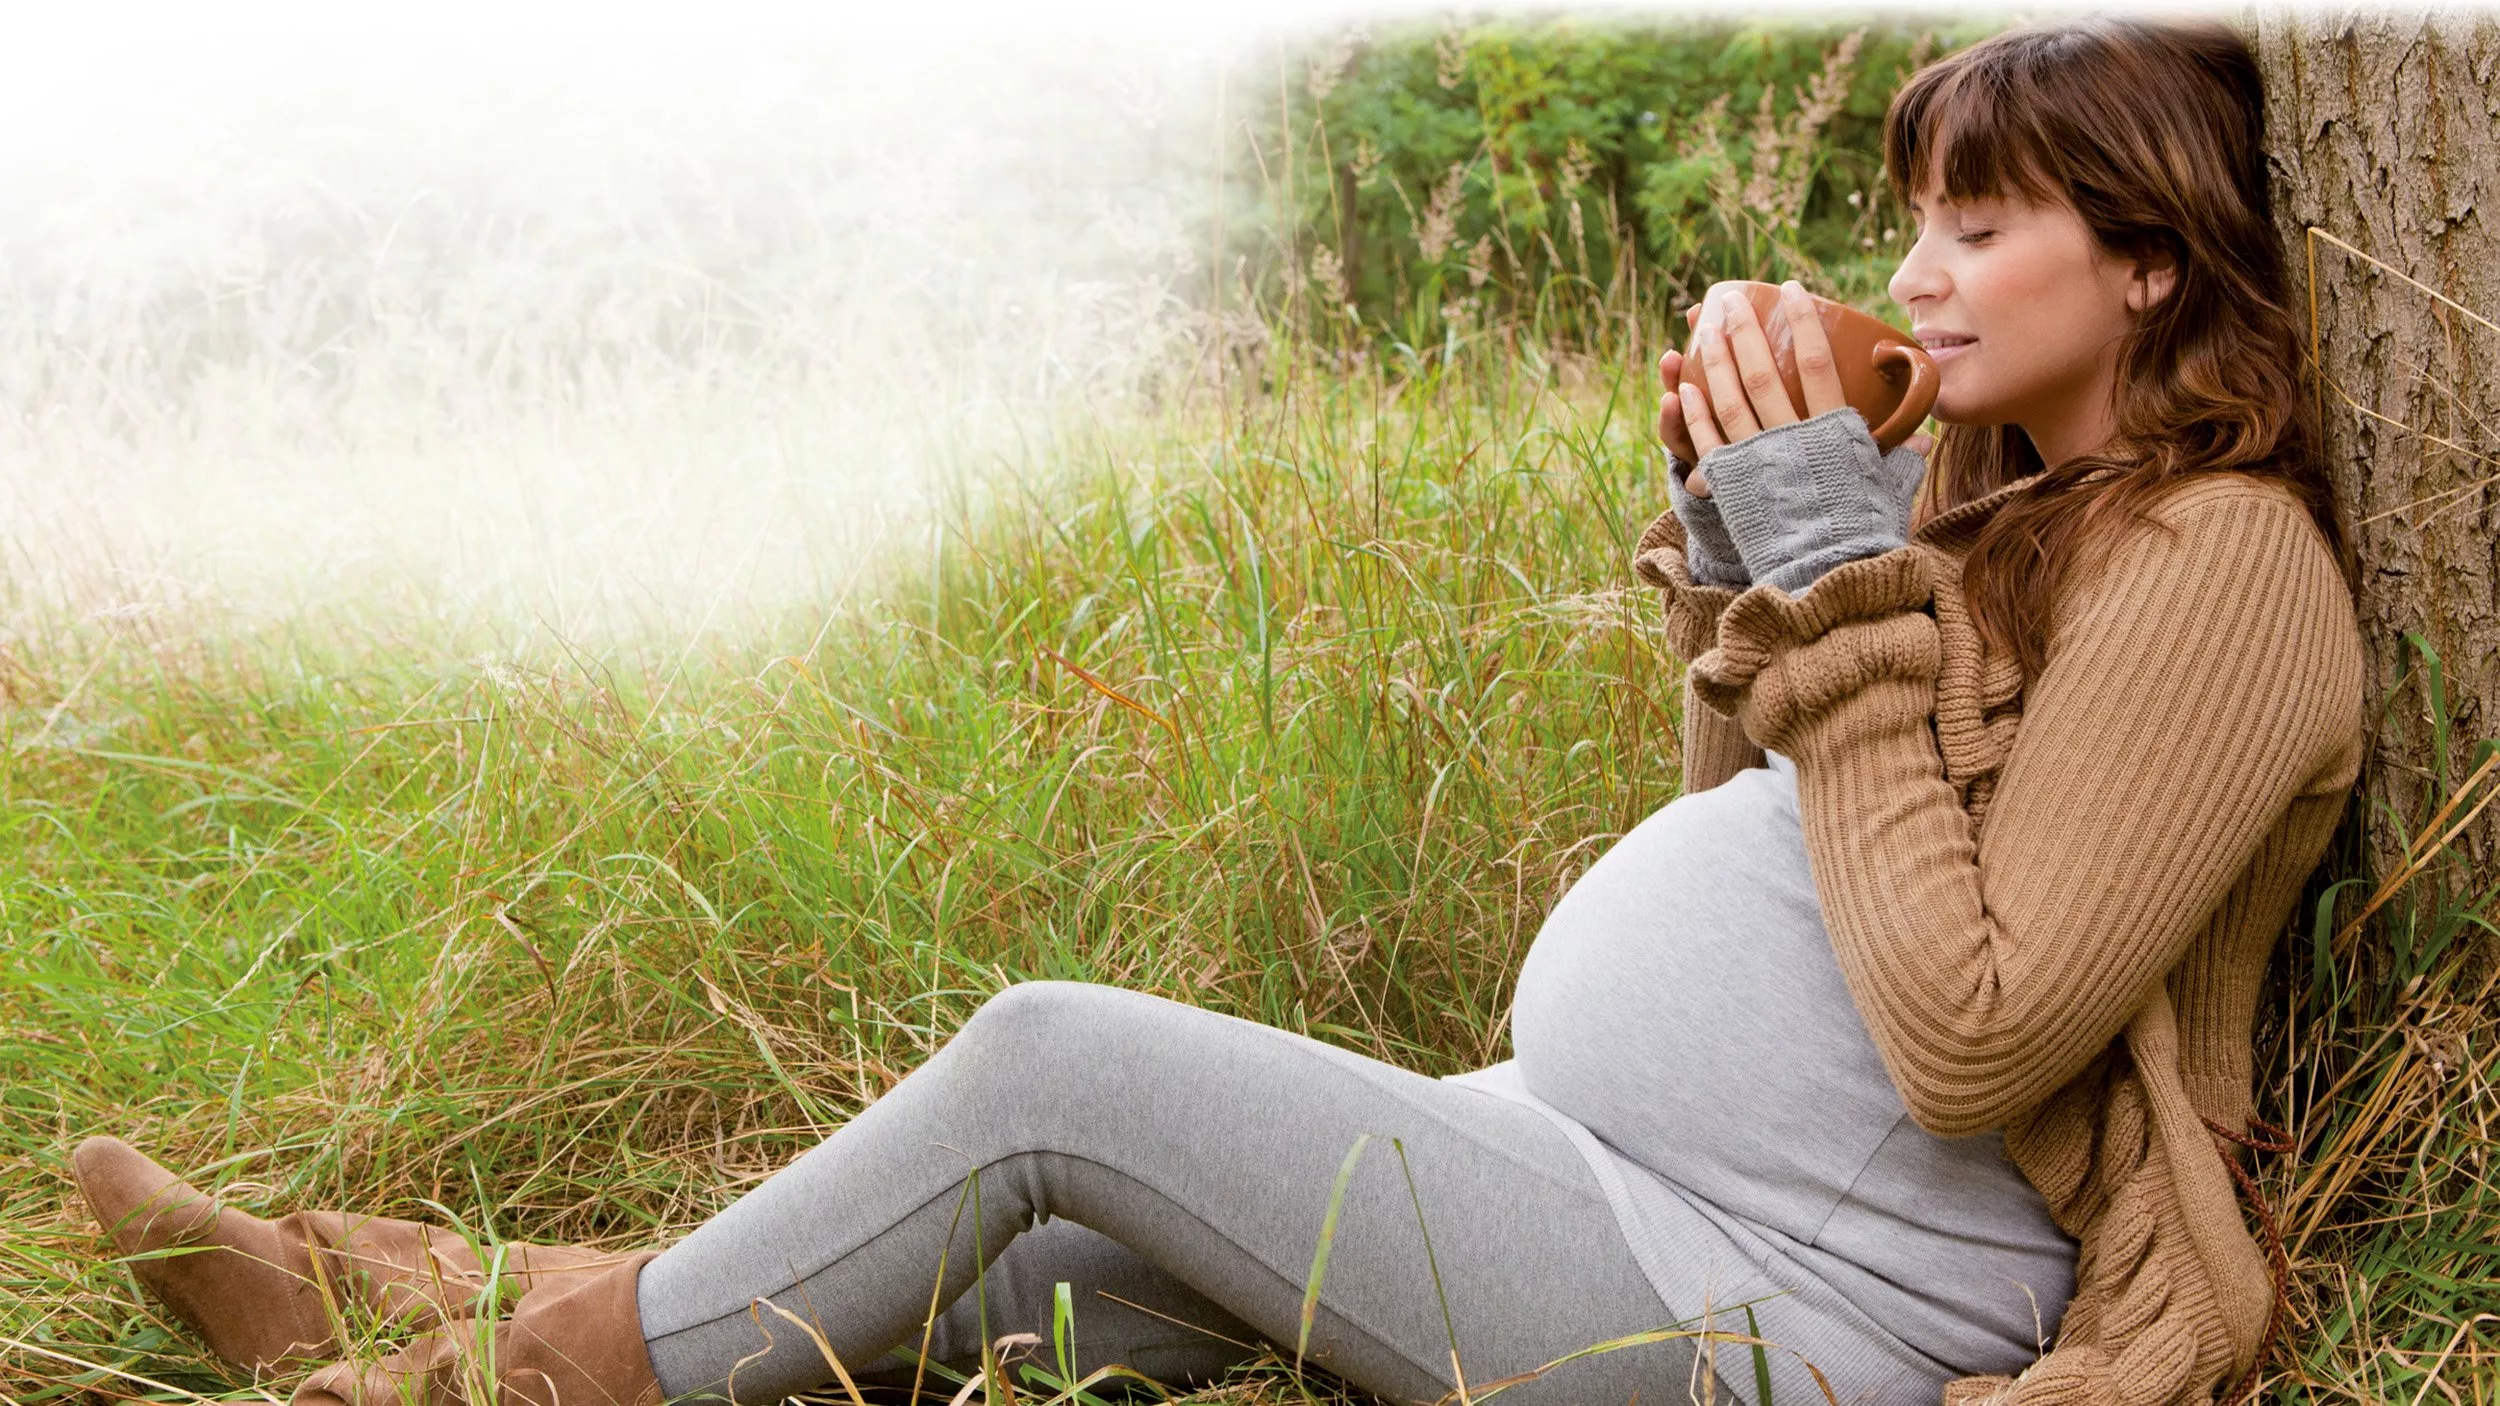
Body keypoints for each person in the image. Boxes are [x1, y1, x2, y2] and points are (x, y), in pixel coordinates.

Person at [71, 15, 2363, 1406]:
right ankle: (445, 1304)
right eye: (1915, 222)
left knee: (1054, 1068)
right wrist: (1752, 573)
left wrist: (1834, 570)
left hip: (1796, 1321)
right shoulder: (2007, 520)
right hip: (1638, 1178)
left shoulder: (2219, 563)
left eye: (1980, 224)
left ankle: (525, 1386)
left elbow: (1965, 1032)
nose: (1916, 272)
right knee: (1041, 1264)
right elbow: (1774, 839)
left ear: (2147, 253)